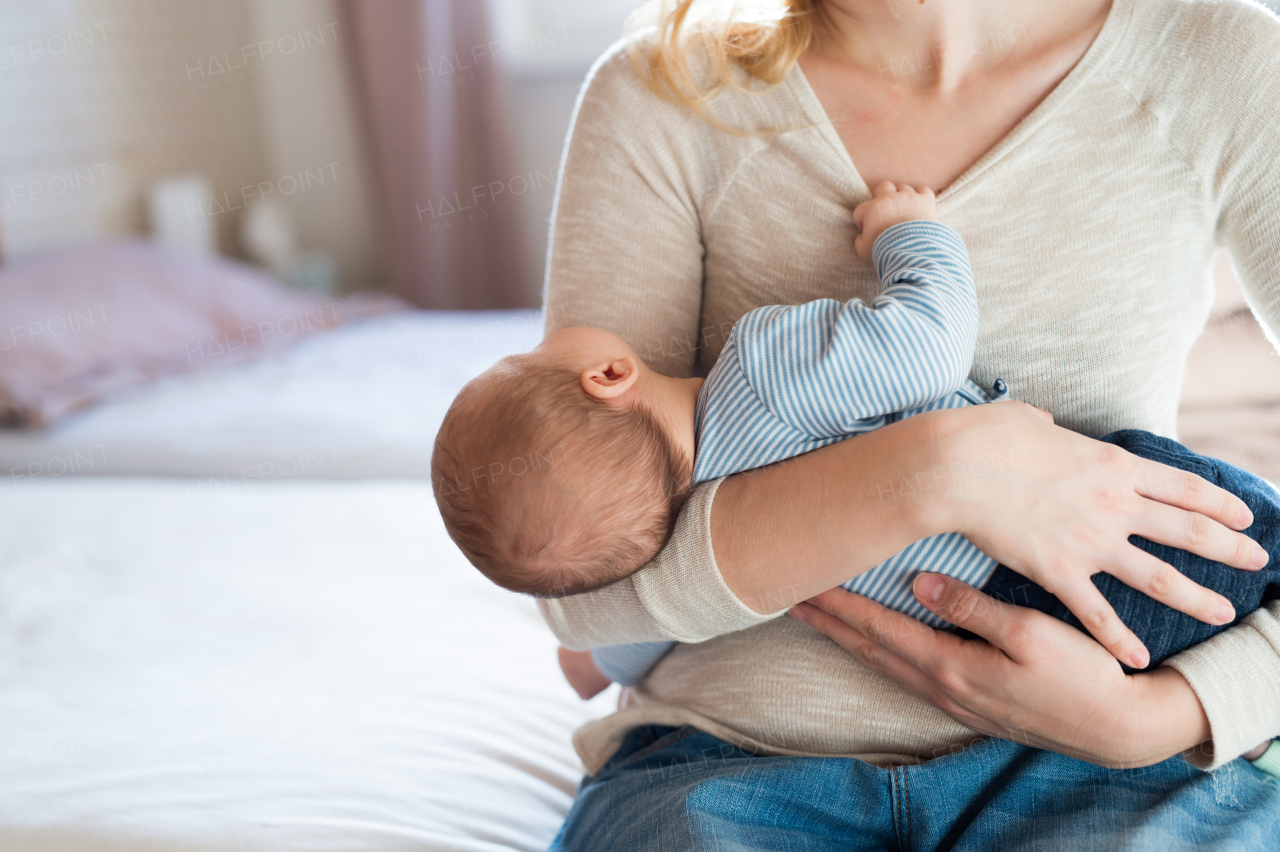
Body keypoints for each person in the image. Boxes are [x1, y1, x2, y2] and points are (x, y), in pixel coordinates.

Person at [538, 0, 1280, 846]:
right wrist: (939, 470)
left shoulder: (1217, 60)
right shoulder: (661, 96)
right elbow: (578, 581)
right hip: (720, 762)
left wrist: (1162, 717)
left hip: (1111, 766)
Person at [433, 182, 1276, 697]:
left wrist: (591, 664)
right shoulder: (762, 371)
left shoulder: (686, 548)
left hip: (1007, 633)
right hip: (1083, 536)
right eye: (525, 353)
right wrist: (908, 235)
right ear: (608, 376)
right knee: (1255, 544)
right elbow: (927, 343)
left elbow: (622, 635)